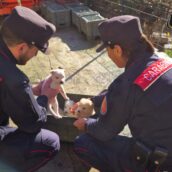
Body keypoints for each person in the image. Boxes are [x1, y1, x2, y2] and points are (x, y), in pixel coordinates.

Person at [73, 15, 172, 172]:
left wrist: (85, 124)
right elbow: (125, 94)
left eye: (107, 49)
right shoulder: (164, 61)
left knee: (83, 143)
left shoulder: (125, 85)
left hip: (161, 162)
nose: (108, 54)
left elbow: (105, 131)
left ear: (117, 50)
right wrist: (94, 101)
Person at [0, 6, 60, 172]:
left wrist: (27, 92)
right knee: (51, 141)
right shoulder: (14, 80)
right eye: (36, 50)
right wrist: (45, 96)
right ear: (22, 47)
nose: (35, 56)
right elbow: (32, 124)